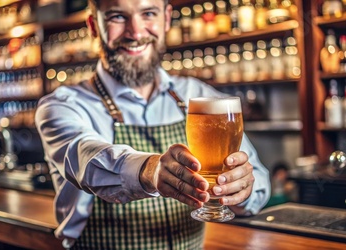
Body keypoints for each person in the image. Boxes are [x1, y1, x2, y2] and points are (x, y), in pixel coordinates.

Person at [35, 0, 270, 249]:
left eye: (148, 13)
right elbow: (85, 159)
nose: (135, 33)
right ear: (94, 26)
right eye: (117, 16)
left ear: (167, 19)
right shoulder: (62, 106)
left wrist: (237, 192)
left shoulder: (200, 96)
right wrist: (150, 170)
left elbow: (259, 186)